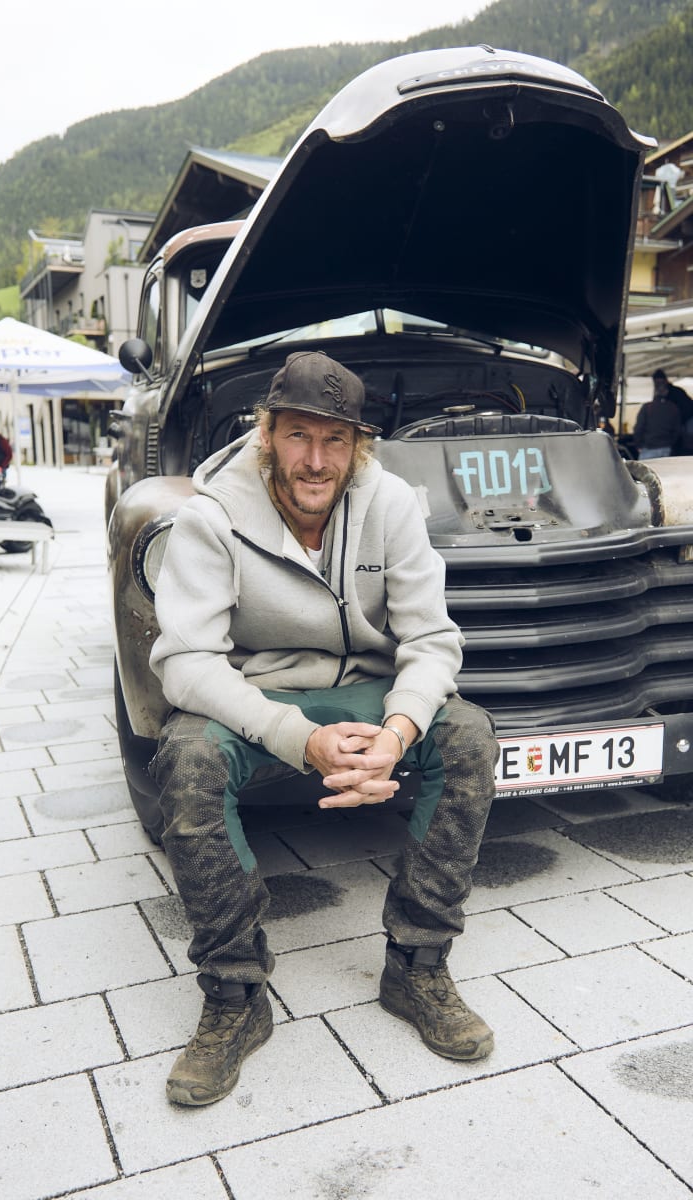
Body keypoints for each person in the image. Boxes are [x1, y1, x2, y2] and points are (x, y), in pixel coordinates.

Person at [148, 349, 500, 1108]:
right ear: (267, 433)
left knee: (469, 736)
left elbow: (432, 642)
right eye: (299, 435)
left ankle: (417, 965)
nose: (316, 460)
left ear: (358, 445)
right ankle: (235, 995)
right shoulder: (210, 514)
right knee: (185, 761)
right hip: (261, 702)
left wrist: (400, 730)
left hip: (369, 698)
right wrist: (292, 736)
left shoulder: (392, 502)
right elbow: (183, 665)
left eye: (335, 440)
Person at [633, 385, 683, 460]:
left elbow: (639, 428)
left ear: (655, 392)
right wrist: (670, 443)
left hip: (648, 447)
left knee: (645, 471)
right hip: (666, 448)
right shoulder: (673, 408)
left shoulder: (647, 407)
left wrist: (638, 444)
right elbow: (677, 429)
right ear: (667, 392)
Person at [651, 369, 693, 455]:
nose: (658, 385)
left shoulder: (676, 392)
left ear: (665, 381)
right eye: (656, 382)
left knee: (688, 434)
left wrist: (680, 423)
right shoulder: (659, 394)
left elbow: (686, 408)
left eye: (660, 382)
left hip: (688, 417)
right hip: (676, 421)